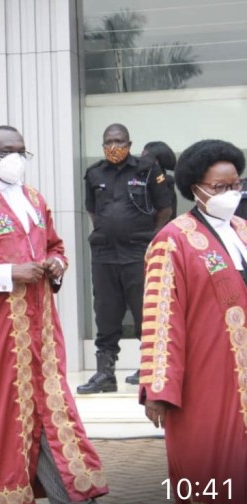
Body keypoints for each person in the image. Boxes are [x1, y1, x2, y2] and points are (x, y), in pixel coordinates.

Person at [0, 125, 107, 504]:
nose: (15, 158)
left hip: (40, 334)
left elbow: (56, 245)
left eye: (21, 151)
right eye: (7, 151)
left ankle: (75, 497)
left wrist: (55, 264)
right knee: (6, 418)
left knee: (49, 411)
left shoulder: (34, 198)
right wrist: (9, 273)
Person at [139, 139, 247, 504]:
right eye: (220, 187)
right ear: (195, 189)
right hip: (204, 381)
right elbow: (160, 316)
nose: (231, 193)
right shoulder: (172, 240)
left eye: (236, 185)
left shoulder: (244, 231)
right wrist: (158, 388)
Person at [78, 123, 173, 394]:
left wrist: (149, 238)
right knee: (106, 313)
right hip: (104, 254)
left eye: (119, 141)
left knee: (146, 312)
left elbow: (164, 208)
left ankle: (150, 369)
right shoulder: (94, 173)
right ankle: (105, 375)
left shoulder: (146, 169)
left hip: (137, 253)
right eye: (108, 141)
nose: (114, 146)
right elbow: (93, 211)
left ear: (129, 144)